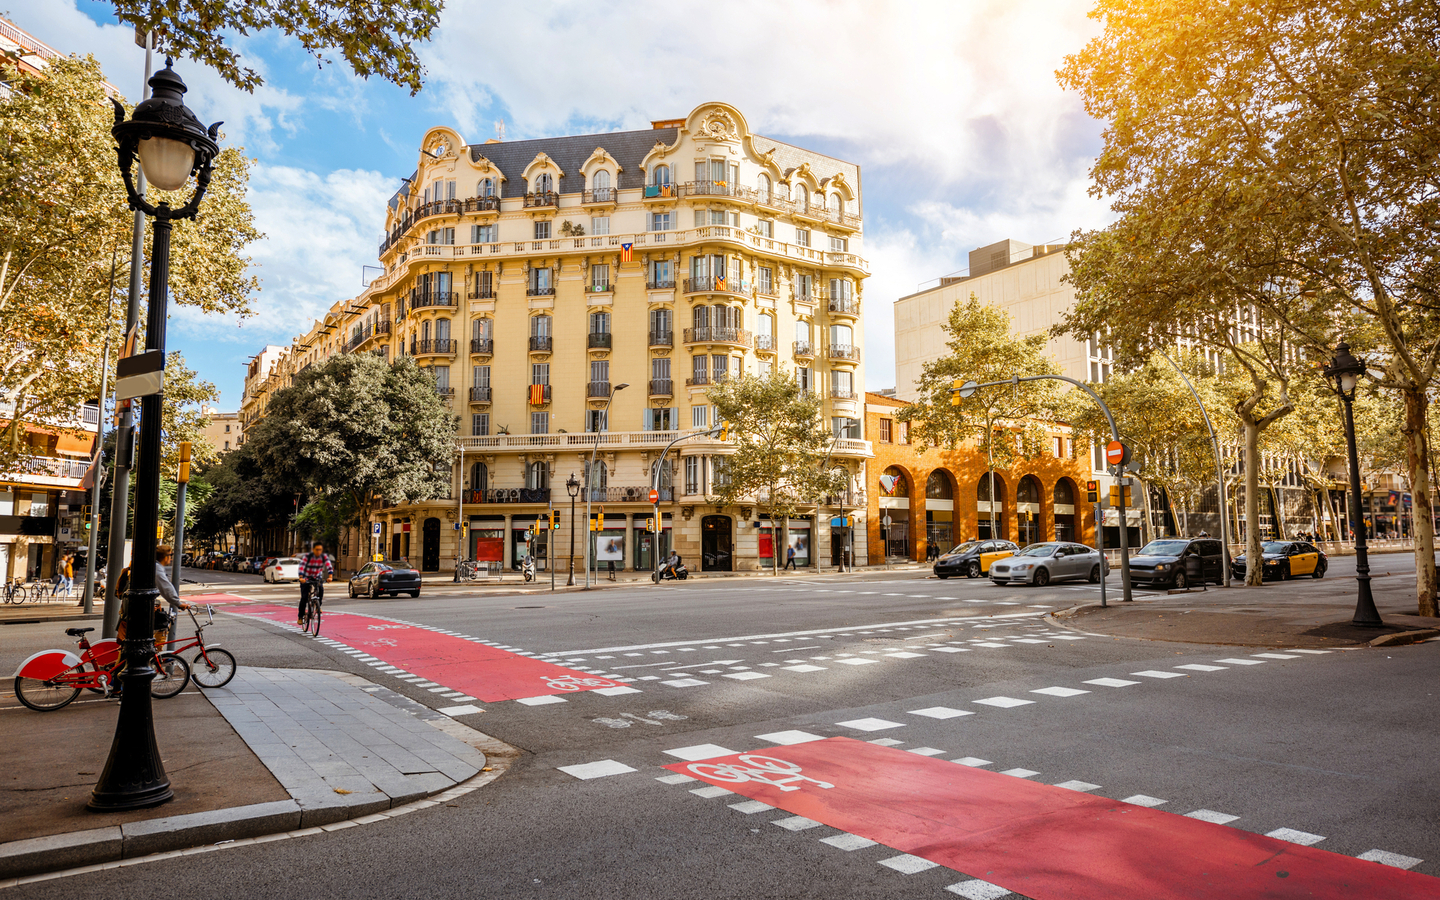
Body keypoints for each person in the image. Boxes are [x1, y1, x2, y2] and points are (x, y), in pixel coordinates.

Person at [297, 541, 334, 624]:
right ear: (313, 549)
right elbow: (301, 567)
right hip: (306, 577)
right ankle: (300, 616)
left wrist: (330, 577)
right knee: (304, 597)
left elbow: (329, 566)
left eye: (320, 550)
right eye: (317, 549)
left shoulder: (323, 556)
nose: (318, 551)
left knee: (321, 589)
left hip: (317, 577)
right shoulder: (307, 556)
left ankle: (318, 606)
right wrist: (301, 578)